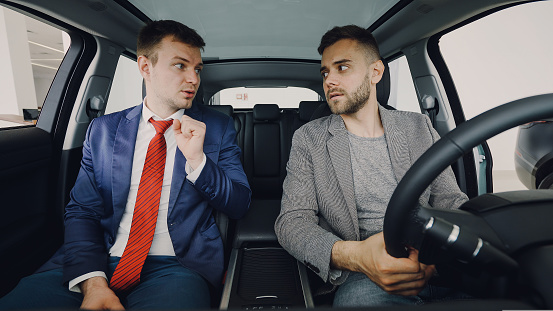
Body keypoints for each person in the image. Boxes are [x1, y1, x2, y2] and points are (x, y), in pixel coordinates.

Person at [0, 20, 251, 310]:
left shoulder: (218, 128)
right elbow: (83, 210)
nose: (193, 78)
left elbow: (239, 204)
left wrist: (197, 160)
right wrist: (93, 282)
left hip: (176, 266)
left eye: (197, 69)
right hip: (95, 260)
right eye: (180, 65)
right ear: (145, 67)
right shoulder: (104, 130)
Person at [274, 25, 469, 307]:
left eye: (342, 68)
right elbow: (291, 222)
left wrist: (436, 264)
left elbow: (450, 201)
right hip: (364, 274)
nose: (329, 80)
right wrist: (357, 256)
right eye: (326, 72)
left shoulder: (417, 126)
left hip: (433, 261)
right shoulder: (309, 139)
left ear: (375, 72)